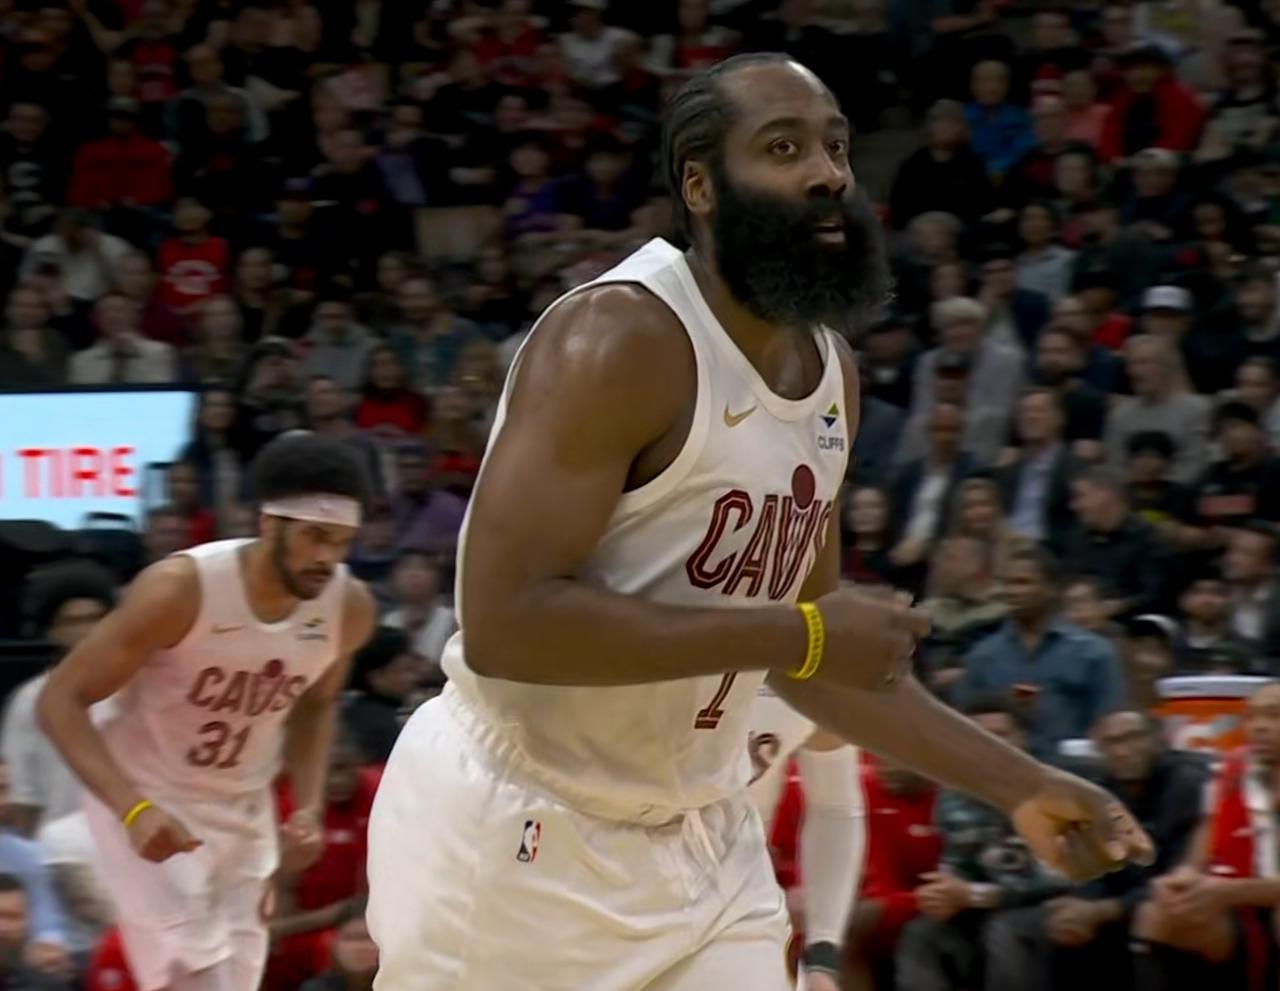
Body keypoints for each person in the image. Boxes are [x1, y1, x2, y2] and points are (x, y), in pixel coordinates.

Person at [365, 54, 1152, 991]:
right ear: (700, 185)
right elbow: (505, 623)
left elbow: (814, 662)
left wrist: (1023, 784)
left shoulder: (830, 371)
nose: (828, 174)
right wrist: (799, 631)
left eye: (837, 147)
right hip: (519, 825)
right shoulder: (621, 336)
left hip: (699, 833)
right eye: (783, 149)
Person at [37, 434, 377, 991]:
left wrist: (308, 805)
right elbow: (60, 700)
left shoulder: (348, 606)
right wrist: (131, 809)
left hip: (243, 806)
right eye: (314, 536)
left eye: (340, 541)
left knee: (237, 981)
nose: (326, 558)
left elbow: (317, 703)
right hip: (150, 796)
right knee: (199, 979)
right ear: (268, 524)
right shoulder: (180, 590)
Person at [747, 685, 862, 991]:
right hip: (629, 875)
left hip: (735, 891)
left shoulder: (819, 670)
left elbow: (834, 808)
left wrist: (823, 953)